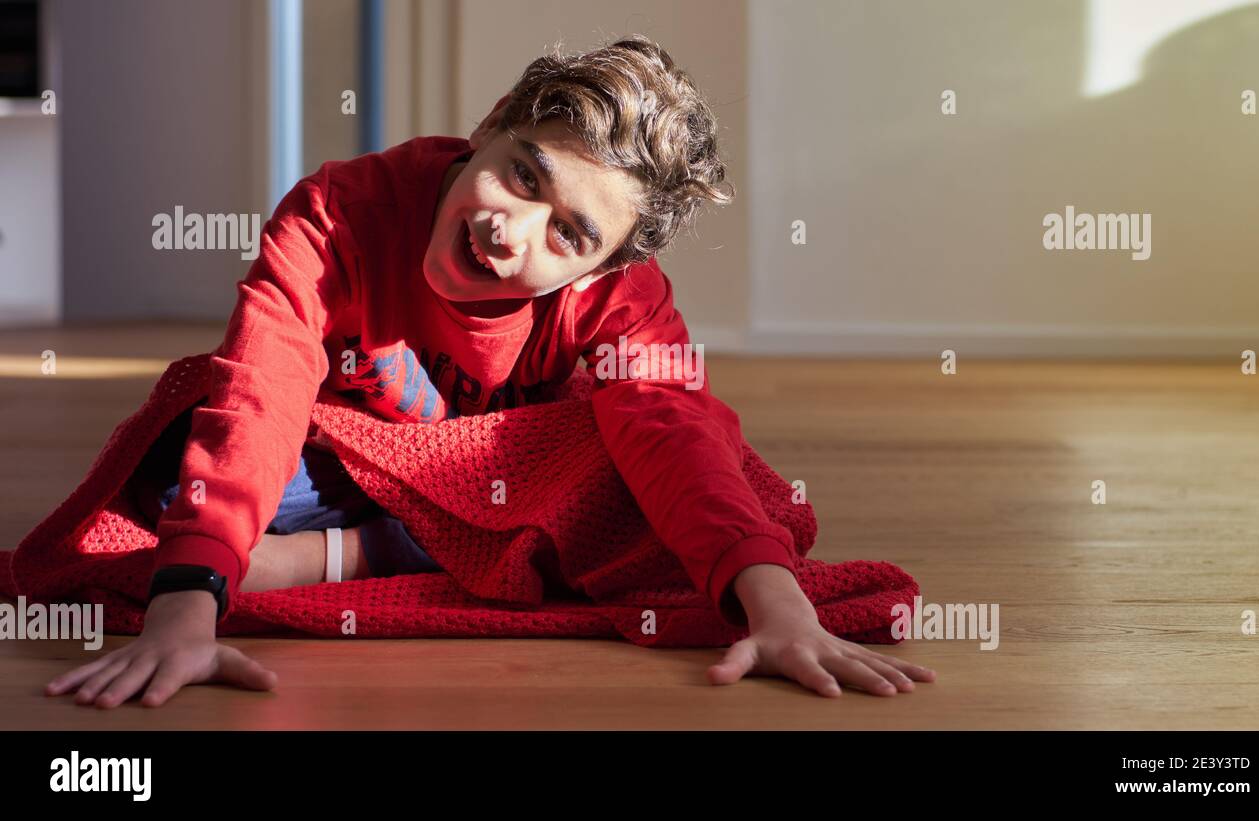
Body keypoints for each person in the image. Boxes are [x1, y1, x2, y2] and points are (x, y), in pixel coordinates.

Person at [46, 34, 935, 709]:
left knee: (700, 477)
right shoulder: (335, 214)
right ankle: (336, 548)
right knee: (186, 465)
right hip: (338, 460)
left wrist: (774, 606)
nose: (509, 228)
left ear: (601, 269)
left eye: (569, 234)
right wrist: (188, 597)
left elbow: (673, 430)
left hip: (500, 474)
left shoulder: (622, 297)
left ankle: (342, 561)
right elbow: (261, 389)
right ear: (491, 124)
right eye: (520, 175)